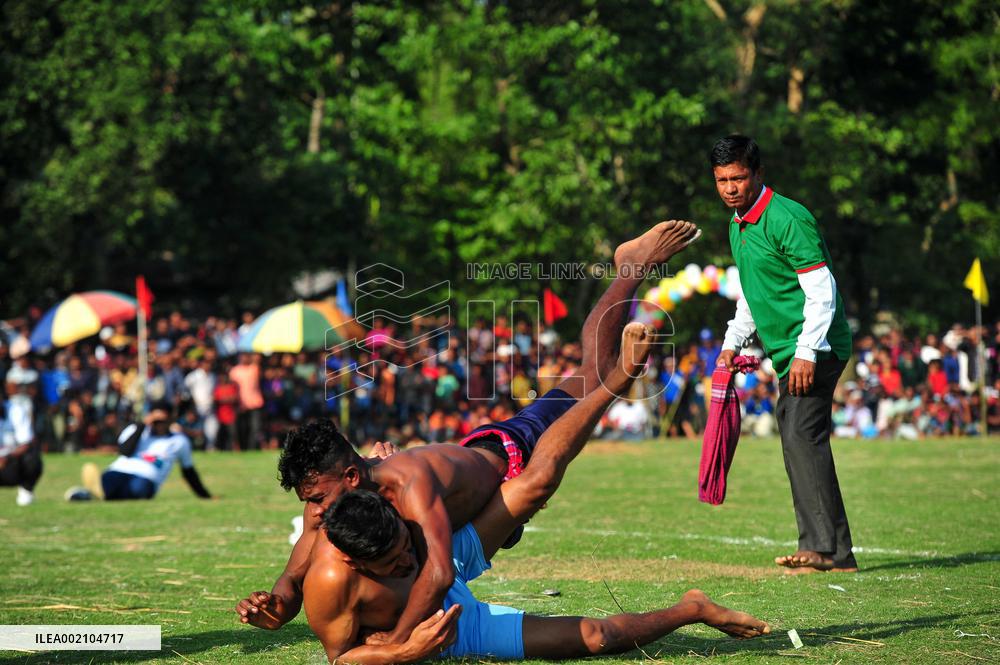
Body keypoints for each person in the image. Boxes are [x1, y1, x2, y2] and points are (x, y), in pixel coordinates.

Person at [235, 221, 701, 641]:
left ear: (352, 477)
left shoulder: (405, 480)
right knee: (586, 377)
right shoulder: (340, 504)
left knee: (590, 375)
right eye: (310, 502)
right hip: (472, 506)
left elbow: (439, 574)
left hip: (507, 456)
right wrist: (274, 605)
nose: (316, 511)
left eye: (318, 497)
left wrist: (399, 646)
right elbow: (293, 577)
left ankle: (629, 269)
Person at [303, 324, 770, 663]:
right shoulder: (328, 580)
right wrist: (407, 653)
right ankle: (692, 608)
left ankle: (615, 383)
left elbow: (437, 571)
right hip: (451, 632)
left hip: (442, 574)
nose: (408, 564)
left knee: (537, 482)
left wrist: (403, 635)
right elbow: (341, 659)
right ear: (353, 563)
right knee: (595, 638)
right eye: (395, 565)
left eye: (405, 549)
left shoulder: (392, 500)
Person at [711, 135, 857, 574]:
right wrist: (729, 345)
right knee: (798, 435)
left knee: (800, 435)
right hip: (791, 352)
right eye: (722, 180)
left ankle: (822, 549)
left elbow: (821, 289)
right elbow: (752, 296)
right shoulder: (738, 225)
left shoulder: (787, 218)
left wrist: (808, 352)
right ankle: (837, 552)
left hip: (815, 347)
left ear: (757, 174)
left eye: (738, 177)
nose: (730, 187)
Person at [65, 405, 212, 501]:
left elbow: (188, 471)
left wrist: (205, 496)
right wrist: (142, 425)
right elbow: (124, 451)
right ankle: (95, 493)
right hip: (121, 469)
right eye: (156, 421)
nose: (159, 425)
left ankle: (92, 495)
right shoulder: (137, 429)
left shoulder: (179, 440)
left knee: (137, 490)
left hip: (147, 477)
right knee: (110, 482)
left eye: (163, 421)